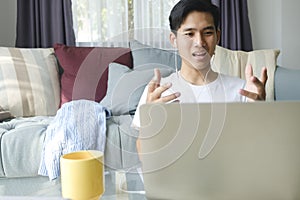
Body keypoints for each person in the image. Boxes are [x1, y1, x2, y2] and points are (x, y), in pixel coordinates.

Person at [132, 0, 267, 130]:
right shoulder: (157, 93)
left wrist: (260, 112)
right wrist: (149, 123)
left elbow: (257, 145)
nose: (200, 42)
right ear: (174, 40)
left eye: (207, 33)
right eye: (190, 34)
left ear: (217, 37)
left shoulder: (242, 90)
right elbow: (142, 152)